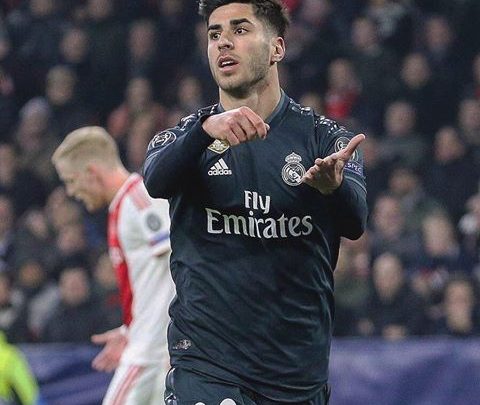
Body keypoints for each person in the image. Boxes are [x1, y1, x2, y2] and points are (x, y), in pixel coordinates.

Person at [142, 1, 368, 403]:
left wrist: (333, 187)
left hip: (297, 374)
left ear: (277, 48)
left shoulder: (324, 139)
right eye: (214, 34)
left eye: (240, 30)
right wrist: (204, 132)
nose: (223, 42)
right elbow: (156, 181)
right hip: (208, 367)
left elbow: (355, 222)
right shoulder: (189, 137)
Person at [51, 126, 175, 404]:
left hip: (151, 352)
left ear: (92, 172)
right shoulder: (122, 205)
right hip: (149, 344)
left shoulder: (139, 199)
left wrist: (173, 340)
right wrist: (129, 329)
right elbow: (150, 280)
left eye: (71, 180)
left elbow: (178, 262)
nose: (71, 191)